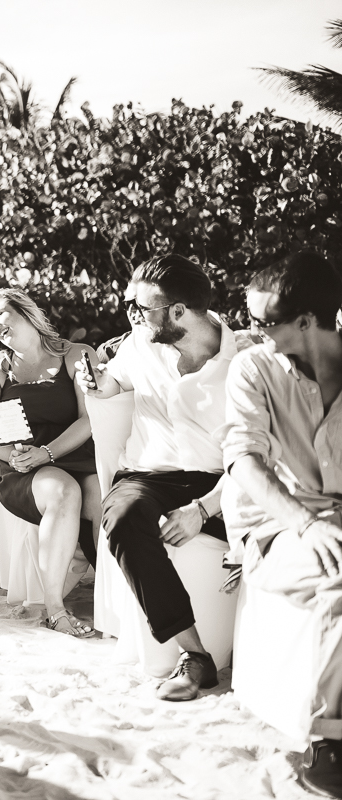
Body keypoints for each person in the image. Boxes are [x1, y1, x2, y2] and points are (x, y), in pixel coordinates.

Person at [76, 254, 254, 701]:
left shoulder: (247, 363)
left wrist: (203, 510)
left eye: (143, 307)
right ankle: (194, 656)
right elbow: (111, 384)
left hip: (223, 480)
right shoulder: (140, 345)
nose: (135, 315)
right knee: (122, 517)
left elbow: (254, 455)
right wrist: (95, 382)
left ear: (177, 312)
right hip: (147, 476)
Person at [219, 251, 342, 797]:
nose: (251, 331)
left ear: (308, 320)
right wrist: (303, 523)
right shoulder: (253, 368)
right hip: (278, 526)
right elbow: (243, 459)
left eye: (264, 321)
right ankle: (329, 738)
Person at [0, 288, 101, 637]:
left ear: (27, 313)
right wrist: (9, 455)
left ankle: (113, 604)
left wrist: (49, 452)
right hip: (23, 468)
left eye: (2, 313)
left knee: (105, 499)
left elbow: (87, 419)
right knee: (63, 491)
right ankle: (55, 611)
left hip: (74, 455)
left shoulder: (76, 354)